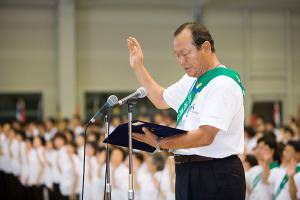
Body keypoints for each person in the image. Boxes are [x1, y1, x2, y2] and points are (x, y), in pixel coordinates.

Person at [127, 22, 246, 199]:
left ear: (205, 47)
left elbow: (205, 136)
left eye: (186, 53)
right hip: (187, 171)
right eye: (177, 55)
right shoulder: (192, 80)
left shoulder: (222, 84)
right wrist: (138, 66)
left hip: (214, 173)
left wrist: (161, 143)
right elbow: (160, 99)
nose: (181, 61)